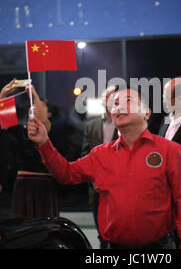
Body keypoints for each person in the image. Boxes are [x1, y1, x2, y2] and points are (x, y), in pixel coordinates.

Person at [28, 87, 181, 249]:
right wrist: (44, 143)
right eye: (116, 104)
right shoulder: (100, 154)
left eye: (128, 101)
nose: (120, 106)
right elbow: (66, 174)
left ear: (146, 113)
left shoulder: (169, 150)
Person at [0, 79, 59, 219]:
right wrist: (3, 95)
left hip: (43, 183)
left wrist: (34, 94)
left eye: (39, 107)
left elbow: (43, 122)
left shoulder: (49, 129)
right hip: (23, 183)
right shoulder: (21, 130)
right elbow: (3, 119)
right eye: (32, 107)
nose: (34, 108)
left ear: (49, 113)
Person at [81, 85, 119, 249]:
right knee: (102, 237)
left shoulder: (124, 123)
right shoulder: (91, 126)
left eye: (111, 96)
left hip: (119, 189)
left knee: (118, 237)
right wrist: (94, 181)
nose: (106, 98)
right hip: (96, 191)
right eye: (104, 96)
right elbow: (85, 157)